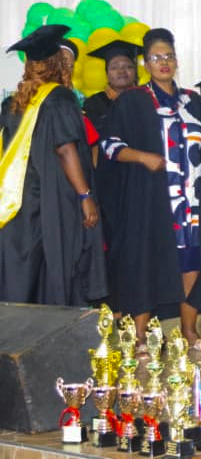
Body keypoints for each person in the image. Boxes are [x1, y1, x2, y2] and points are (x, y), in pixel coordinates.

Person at [99, 28, 201, 349]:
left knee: (192, 261)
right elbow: (109, 146)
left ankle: (189, 331)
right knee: (147, 261)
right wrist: (141, 157)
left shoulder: (192, 102)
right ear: (146, 64)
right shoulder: (133, 102)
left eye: (168, 56)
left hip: (191, 201)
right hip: (152, 201)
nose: (164, 62)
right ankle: (140, 337)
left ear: (176, 61)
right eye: (156, 57)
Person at [0, 24, 107, 306]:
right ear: (57, 64)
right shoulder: (59, 99)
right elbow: (65, 149)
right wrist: (85, 195)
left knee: (23, 271)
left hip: (18, 204)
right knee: (58, 263)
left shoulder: (12, 102)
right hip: (54, 199)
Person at [82, 38, 139, 131]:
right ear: (107, 74)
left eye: (128, 66)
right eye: (114, 67)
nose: (121, 71)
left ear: (135, 72)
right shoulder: (94, 104)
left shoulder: (146, 99)